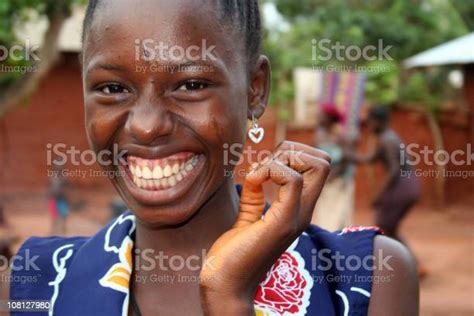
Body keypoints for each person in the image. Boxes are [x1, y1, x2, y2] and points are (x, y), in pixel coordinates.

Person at [6, 1, 418, 315]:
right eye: (113, 88)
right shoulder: (33, 287)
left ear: (254, 89)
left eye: (190, 83)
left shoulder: (363, 279)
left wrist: (228, 297)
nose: (147, 126)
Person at [347, 106, 424, 276]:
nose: (369, 126)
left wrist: (379, 194)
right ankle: (413, 265)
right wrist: (349, 155)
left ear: (378, 121)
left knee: (384, 225)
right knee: (389, 227)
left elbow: (394, 169)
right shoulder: (387, 137)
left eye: (370, 122)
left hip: (402, 186)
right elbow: (370, 158)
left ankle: (406, 267)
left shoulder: (387, 139)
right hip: (408, 185)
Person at [312, 103, 355, 230]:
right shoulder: (318, 138)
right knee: (324, 217)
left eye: (322, 116)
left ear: (330, 119)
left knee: (338, 217)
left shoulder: (341, 138)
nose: (318, 118)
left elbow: (347, 160)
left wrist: (334, 177)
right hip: (323, 184)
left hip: (339, 184)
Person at [47, 164, 70, 235]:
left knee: (64, 215)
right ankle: (53, 231)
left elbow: (68, 189)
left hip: (62, 199)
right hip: (54, 198)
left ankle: (63, 231)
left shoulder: (64, 178)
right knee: (54, 216)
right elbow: (50, 188)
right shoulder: (53, 178)